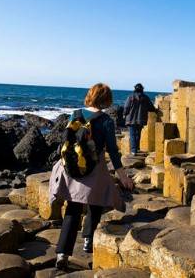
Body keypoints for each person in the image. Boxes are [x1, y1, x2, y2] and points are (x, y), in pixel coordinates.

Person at [49, 83, 134, 269]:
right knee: (96, 203)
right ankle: (88, 239)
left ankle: (62, 253)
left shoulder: (75, 114)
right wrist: (123, 176)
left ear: (90, 95)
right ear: (106, 100)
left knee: (73, 208)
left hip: (73, 168)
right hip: (95, 168)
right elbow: (112, 151)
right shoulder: (106, 121)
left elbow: (67, 140)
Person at [123, 83, 156, 155]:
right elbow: (151, 107)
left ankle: (133, 150)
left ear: (135, 89)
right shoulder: (145, 97)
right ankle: (137, 148)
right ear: (142, 89)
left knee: (132, 135)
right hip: (141, 119)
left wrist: (124, 114)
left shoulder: (130, 97)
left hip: (131, 119)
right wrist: (156, 110)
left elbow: (126, 107)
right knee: (138, 134)